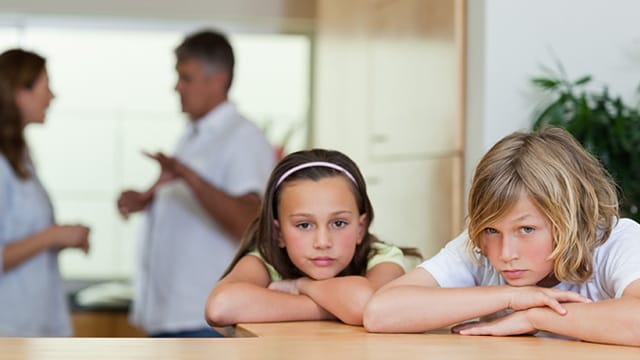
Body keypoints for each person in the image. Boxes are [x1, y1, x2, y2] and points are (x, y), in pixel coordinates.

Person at [363, 127, 640, 346]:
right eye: (492, 230)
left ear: (570, 219)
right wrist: (510, 297)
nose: (505, 253)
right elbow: (381, 312)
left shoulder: (616, 240)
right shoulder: (479, 245)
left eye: (527, 230)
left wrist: (536, 317)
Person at [116, 29, 275, 337]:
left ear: (217, 80)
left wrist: (190, 177)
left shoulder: (244, 138)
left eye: (185, 78)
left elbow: (249, 220)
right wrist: (147, 199)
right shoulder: (193, 136)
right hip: (168, 315)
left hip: (203, 319)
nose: (176, 87)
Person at [205, 149, 421, 326]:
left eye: (338, 223)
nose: (323, 242)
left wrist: (300, 286)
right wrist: (334, 308)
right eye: (304, 225)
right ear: (278, 233)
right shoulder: (265, 261)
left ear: (360, 228)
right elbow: (220, 307)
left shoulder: (382, 257)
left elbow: (366, 304)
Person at [0, 49, 91, 336]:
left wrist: (61, 238)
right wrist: (52, 235)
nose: (52, 96)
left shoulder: (20, 157)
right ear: (20, 92)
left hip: (33, 327)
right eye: (45, 85)